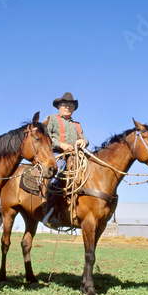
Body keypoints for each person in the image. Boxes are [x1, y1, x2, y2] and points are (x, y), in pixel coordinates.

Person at [42, 92, 89, 228]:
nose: (68, 107)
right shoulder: (52, 119)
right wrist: (61, 145)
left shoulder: (77, 125)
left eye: (70, 105)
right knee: (57, 177)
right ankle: (51, 212)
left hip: (77, 156)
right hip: (58, 155)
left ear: (74, 108)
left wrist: (83, 141)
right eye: (64, 105)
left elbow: (85, 138)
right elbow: (45, 137)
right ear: (59, 107)